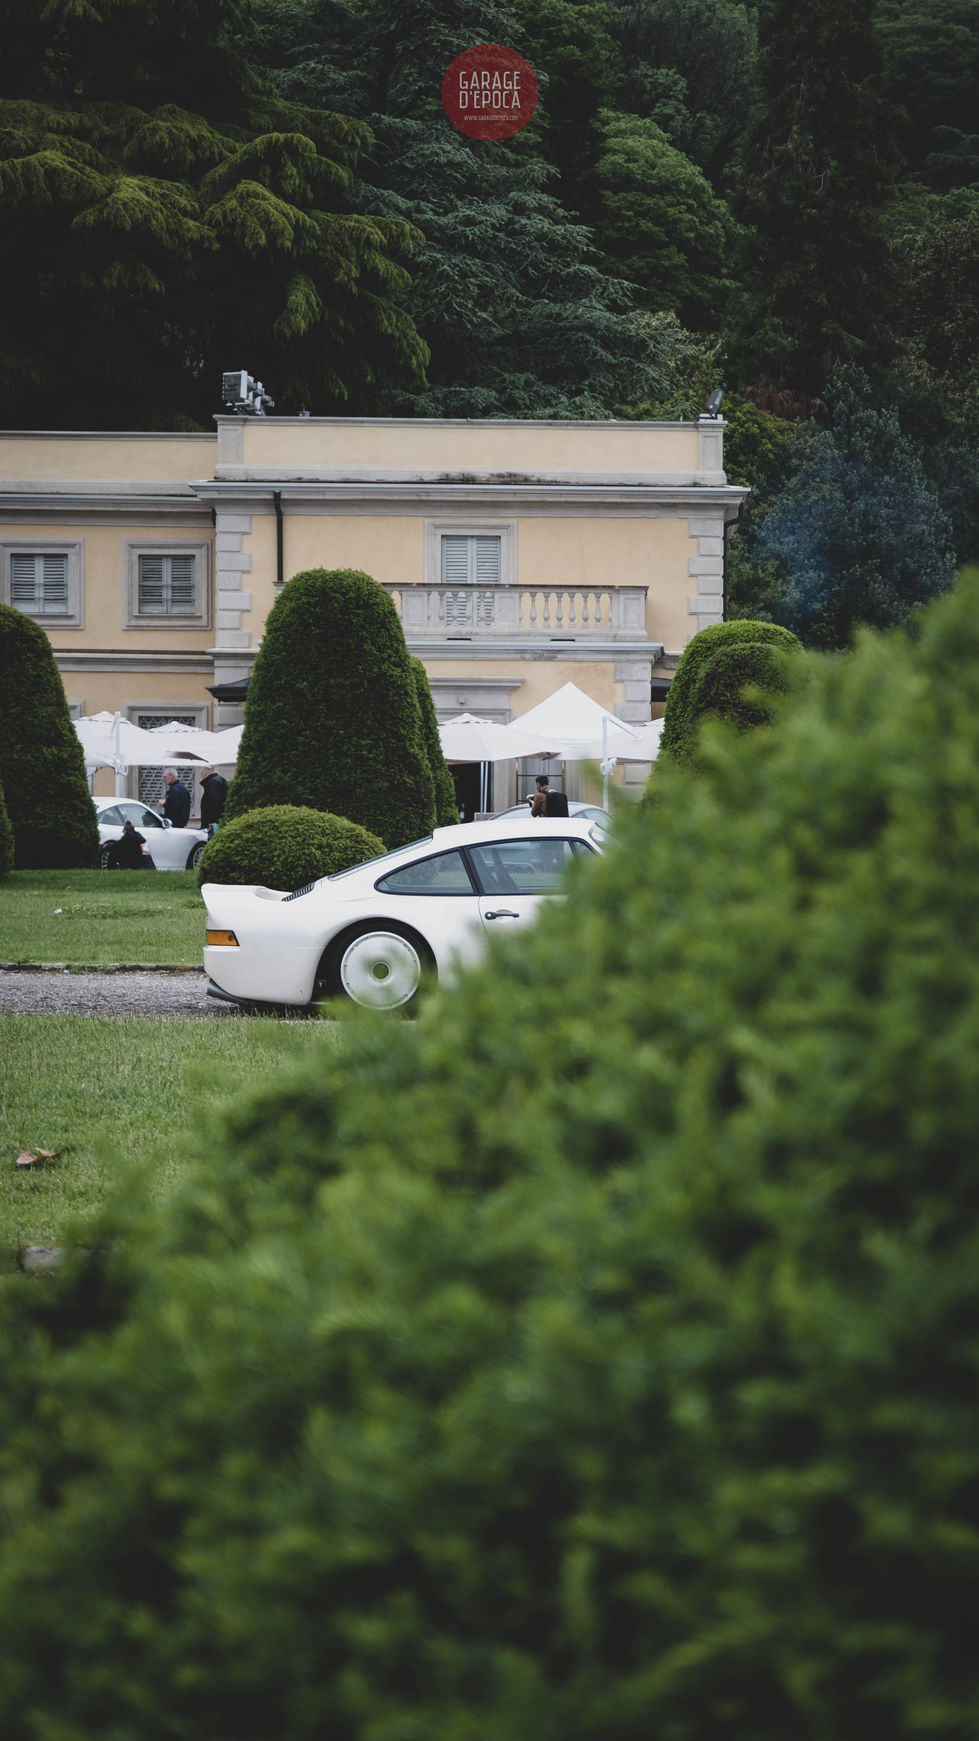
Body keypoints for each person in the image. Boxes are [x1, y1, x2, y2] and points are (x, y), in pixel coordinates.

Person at [198, 765, 228, 836]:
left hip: (212, 824)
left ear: (204, 773)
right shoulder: (218, 780)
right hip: (215, 821)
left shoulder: (212, 783)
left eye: (201, 774)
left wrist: (212, 821)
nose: (201, 777)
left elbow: (214, 803)